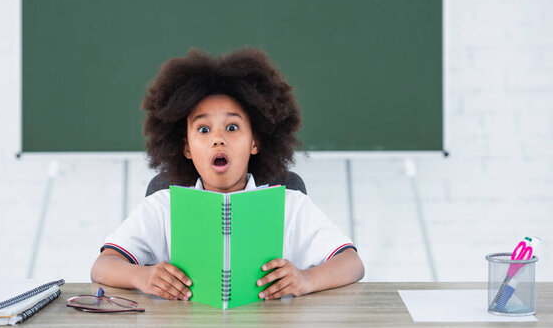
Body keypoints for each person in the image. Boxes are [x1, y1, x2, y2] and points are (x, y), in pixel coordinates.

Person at [91, 47, 364, 302]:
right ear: (185, 147)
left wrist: (306, 279)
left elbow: (352, 264)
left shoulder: (290, 205)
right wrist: (142, 276)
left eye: (232, 128)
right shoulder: (163, 206)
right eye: (203, 130)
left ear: (255, 142)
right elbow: (103, 265)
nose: (218, 139)